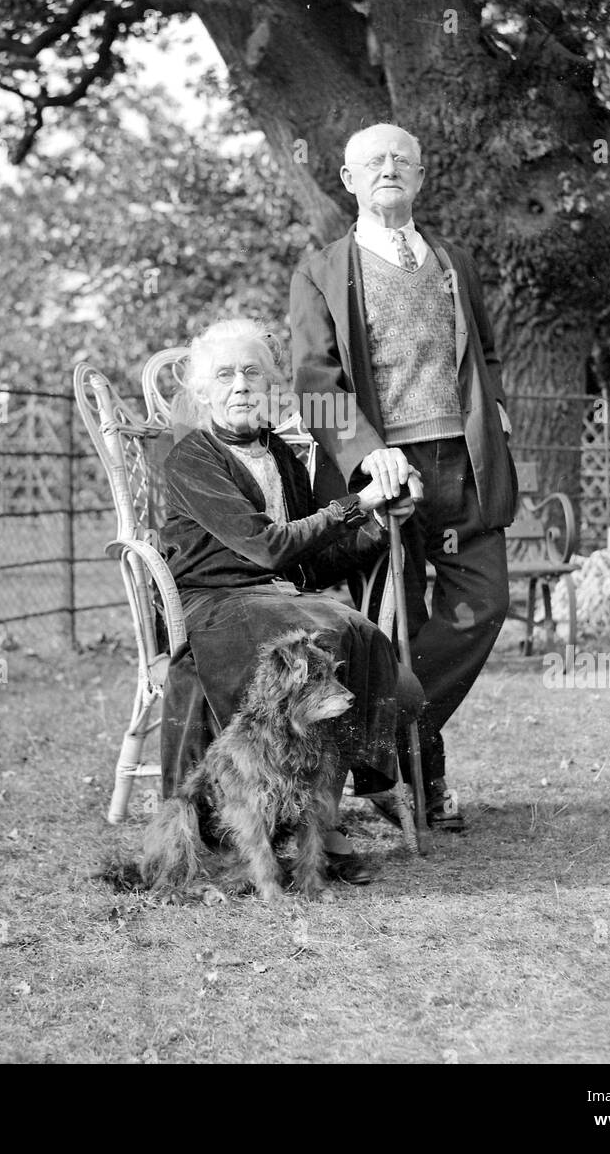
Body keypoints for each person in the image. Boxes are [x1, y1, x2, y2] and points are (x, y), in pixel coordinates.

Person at [290, 123, 518, 830]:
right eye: (373, 162)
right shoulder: (320, 270)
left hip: (465, 463)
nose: (389, 168)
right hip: (384, 478)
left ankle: (384, 741)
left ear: (420, 178)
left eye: (402, 160)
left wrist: (498, 411)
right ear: (348, 179)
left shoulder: (454, 261)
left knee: (485, 604)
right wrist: (365, 452)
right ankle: (425, 785)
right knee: (397, 622)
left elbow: (484, 350)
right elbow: (315, 382)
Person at [157, 317, 423, 886]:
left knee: (360, 636)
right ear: (204, 392)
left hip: (280, 598)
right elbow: (271, 547)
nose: (240, 386)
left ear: (271, 386)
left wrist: (377, 520)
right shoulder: (191, 460)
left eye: (252, 372)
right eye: (224, 375)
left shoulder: (279, 454)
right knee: (316, 639)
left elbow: (306, 564)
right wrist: (355, 502)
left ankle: (322, 804)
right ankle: (301, 819)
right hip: (219, 604)